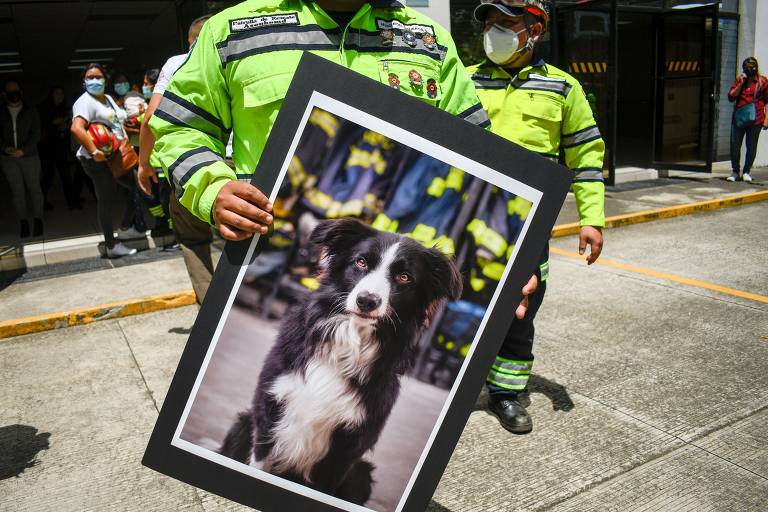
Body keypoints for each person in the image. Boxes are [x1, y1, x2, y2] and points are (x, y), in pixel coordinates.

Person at [148, 2, 539, 311]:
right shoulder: (232, 31)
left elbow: (483, 161)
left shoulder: (429, 42)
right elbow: (180, 127)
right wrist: (214, 188)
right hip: (267, 259)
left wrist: (513, 262)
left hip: (395, 273)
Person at [467, 0, 605, 434]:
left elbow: (585, 155)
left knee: (519, 311)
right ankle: (445, 385)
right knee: (457, 301)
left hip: (528, 226)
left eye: (507, 24)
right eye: (490, 24)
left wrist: (592, 217)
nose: (495, 32)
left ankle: (506, 394)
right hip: (468, 216)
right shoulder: (464, 80)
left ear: (535, 30)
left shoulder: (563, 87)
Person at [139, 15, 214, 303]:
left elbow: (151, 117)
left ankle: (211, 312)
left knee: (194, 239)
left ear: (190, 40)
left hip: (193, 166)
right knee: (247, 239)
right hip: (240, 162)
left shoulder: (177, 62)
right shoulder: (243, 55)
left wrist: (144, 164)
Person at [70, 63, 138, 258]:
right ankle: (111, 245)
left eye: (98, 77)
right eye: (90, 77)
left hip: (117, 156)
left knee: (134, 188)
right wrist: (93, 150)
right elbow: (76, 128)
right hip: (97, 161)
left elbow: (121, 117)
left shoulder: (107, 99)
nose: (94, 81)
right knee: (106, 199)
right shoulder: (85, 102)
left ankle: (125, 227)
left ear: (105, 80)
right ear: (84, 82)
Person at [0, 79, 45, 238]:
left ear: (21, 92)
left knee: (35, 189)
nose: (14, 93)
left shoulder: (30, 110)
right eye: (10, 91)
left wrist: (23, 150)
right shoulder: (1, 112)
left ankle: (38, 219)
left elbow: (36, 133)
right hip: (8, 159)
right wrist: (6, 148)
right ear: (4, 94)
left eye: (16, 90)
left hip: (30, 156)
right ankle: (23, 222)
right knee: (17, 192)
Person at [727, 57, 768, 182]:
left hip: (756, 119)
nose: (749, 69)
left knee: (751, 146)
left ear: (755, 68)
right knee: (734, 145)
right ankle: (735, 171)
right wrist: (741, 83)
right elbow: (731, 97)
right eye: (747, 67)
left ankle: (746, 171)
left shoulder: (763, 81)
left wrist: (767, 119)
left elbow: (767, 101)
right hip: (739, 119)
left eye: (752, 67)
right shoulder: (739, 80)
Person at [38, 86, 78, 210]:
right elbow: (54, 122)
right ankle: (41, 202)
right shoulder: (45, 108)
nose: (60, 96)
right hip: (47, 148)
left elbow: (64, 125)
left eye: (62, 93)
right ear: (51, 95)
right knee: (48, 177)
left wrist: (64, 124)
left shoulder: (62, 108)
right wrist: (65, 120)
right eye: (57, 93)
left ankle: (72, 202)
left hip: (60, 147)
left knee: (66, 175)